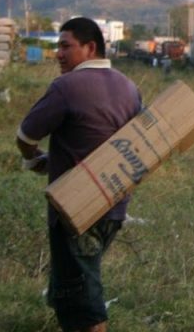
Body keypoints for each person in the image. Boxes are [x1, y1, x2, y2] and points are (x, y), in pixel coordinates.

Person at [15, 17, 143, 332]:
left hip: (76, 210)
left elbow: (26, 136)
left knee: (86, 300)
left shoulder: (66, 86)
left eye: (65, 46)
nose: (58, 54)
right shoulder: (129, 87)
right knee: (72, 286)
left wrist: (34, 159)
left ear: (89, 47)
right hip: (114, 206)